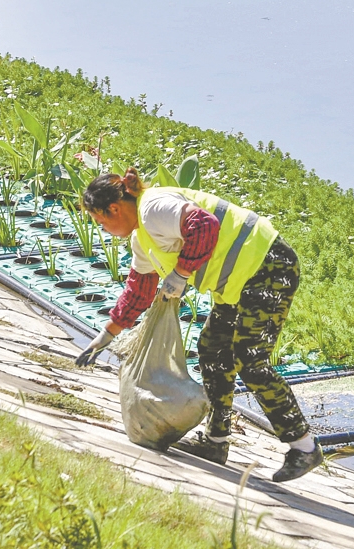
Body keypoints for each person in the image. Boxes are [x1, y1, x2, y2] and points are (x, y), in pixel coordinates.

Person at [74, 167, 323, 482]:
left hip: (269, 266)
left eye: (101, 220)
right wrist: (107, 333)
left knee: (250, 357)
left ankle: (303, 446)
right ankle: (215, 442)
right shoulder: (143, 238)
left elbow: (205, 225)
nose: (103, 227)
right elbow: (139, 289)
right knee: (212, 350)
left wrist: (180, 274)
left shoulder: (153, 207)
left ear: (114, 208)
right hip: (238, 284)